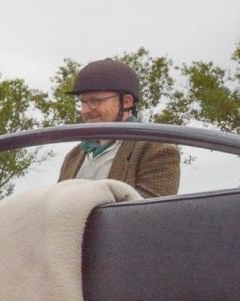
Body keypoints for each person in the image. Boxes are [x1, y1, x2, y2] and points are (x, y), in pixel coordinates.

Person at [55, 58, 180, 198]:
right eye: (83, 102)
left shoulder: (157, 149)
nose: (86, 110)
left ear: (126, 102)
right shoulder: (74, 155)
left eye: (95, 101)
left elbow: (150, 214)